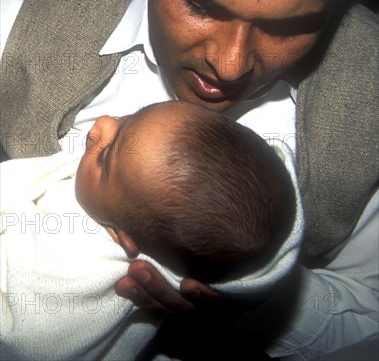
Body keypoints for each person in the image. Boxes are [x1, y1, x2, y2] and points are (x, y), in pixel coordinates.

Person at [0, 0, 378, 358]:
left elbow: (367, 320)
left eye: (290, 24)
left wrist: (255, 304)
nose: (230, 64)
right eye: (201, 3)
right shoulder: (28, 18)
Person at [0, 101, 299, 360]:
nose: (101, 125)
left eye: (104, 160)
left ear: (121, 235)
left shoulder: (77, 252)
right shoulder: (131, 191)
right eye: (133, 116)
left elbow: (32, 344)